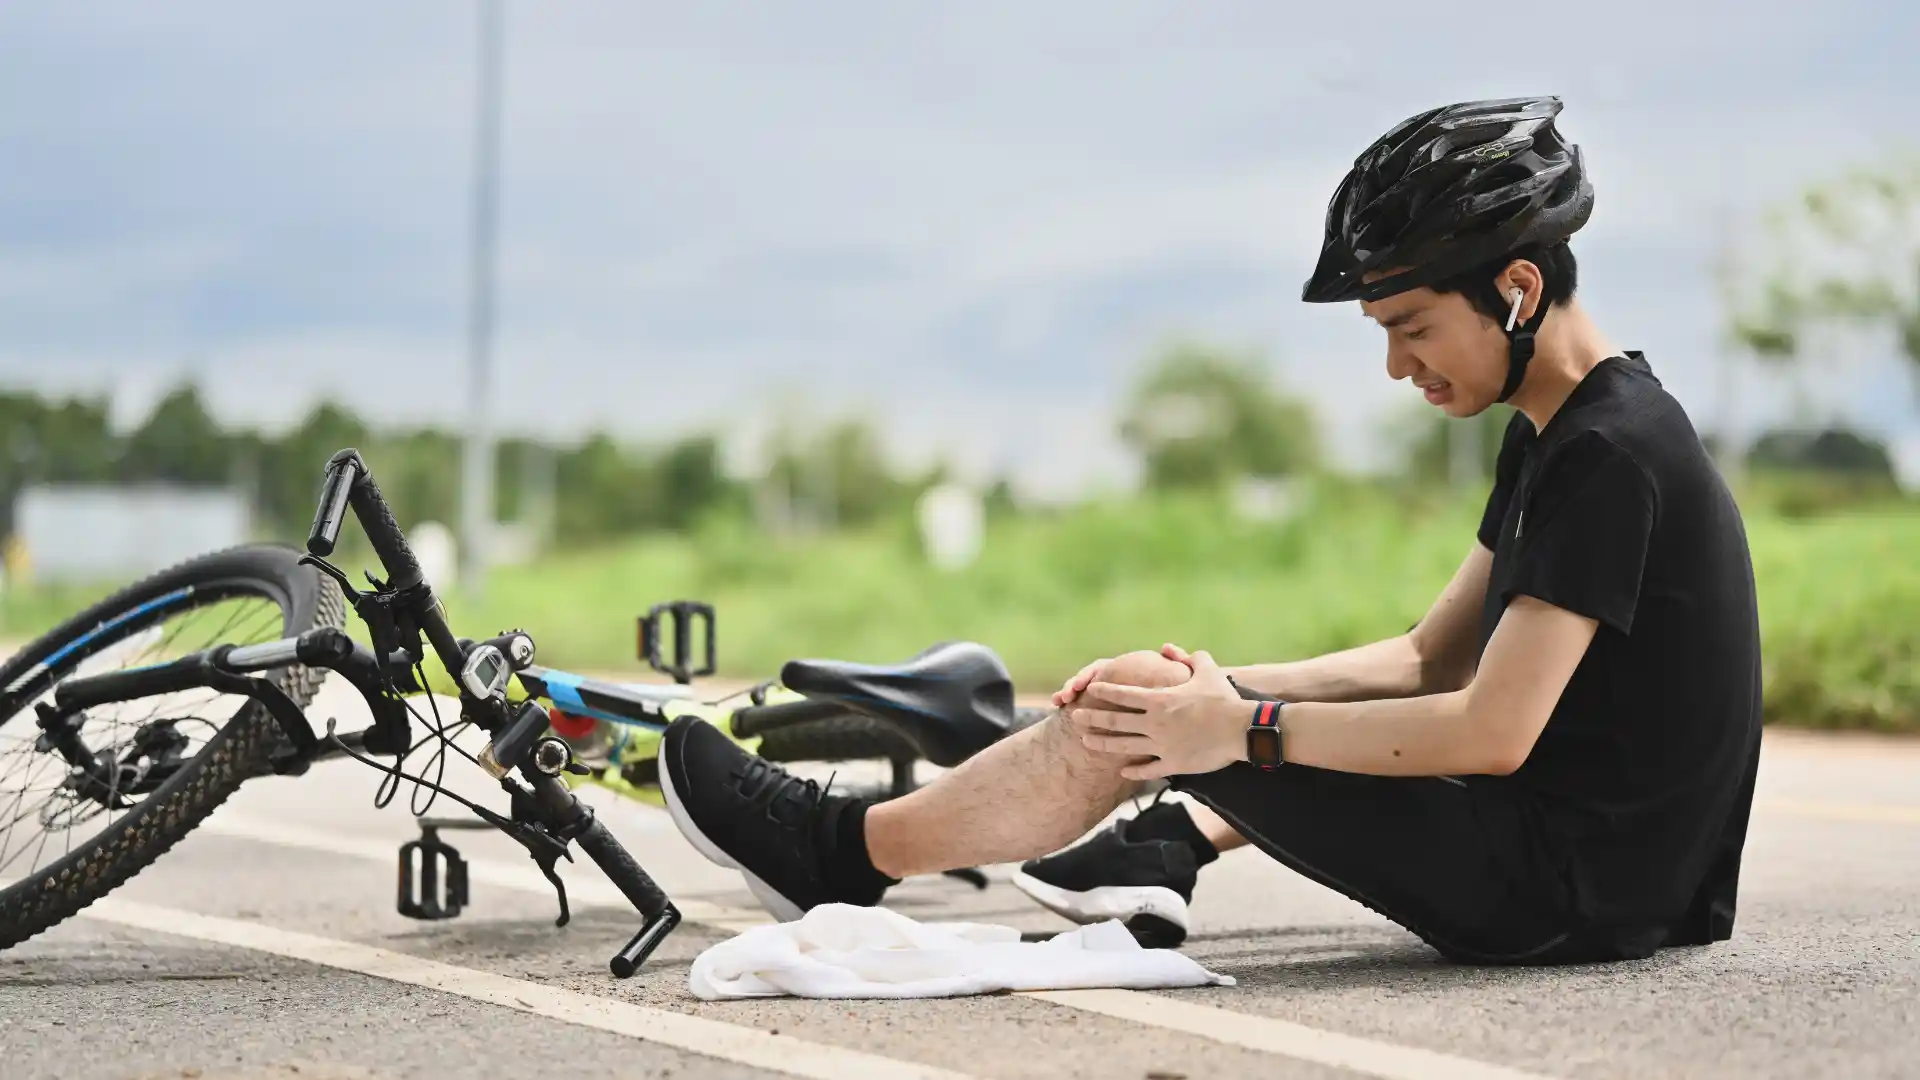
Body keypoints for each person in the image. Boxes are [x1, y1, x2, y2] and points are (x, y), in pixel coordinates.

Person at [654, 95, 1764, 965]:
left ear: (1517, 290)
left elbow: (1490, 731)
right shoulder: (1564, 434)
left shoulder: (1610, 454)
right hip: (1588, 869)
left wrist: (1243, 731)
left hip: (1571, 894)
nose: (1396, 367)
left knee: (1175, 712)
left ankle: (840, 852)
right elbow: (1426, 657)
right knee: (1163, 696)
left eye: (1413, 327)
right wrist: (1215, 692)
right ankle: (950, 843)